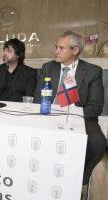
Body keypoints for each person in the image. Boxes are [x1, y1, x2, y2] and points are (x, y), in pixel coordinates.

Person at [34, 31, 107, 192]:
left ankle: (81, 181)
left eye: (61, 48)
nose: (56, 51)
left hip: (80, 116)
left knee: (98, 143)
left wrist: (73, 114)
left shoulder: (93, 71)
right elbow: (37, 98)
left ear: (75, 50)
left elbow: (95, 107)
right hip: (49, 114)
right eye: (56, 47)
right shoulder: (47, 67)